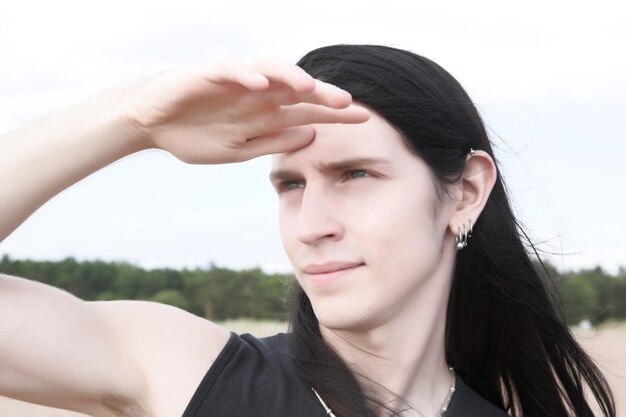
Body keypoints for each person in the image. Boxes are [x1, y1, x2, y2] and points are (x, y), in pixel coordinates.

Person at [0, 45, 615, 417]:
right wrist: (130, 120)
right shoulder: (191, 376)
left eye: (355, 174)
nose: (310, 228)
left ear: (466, 191)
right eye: (290, 185)